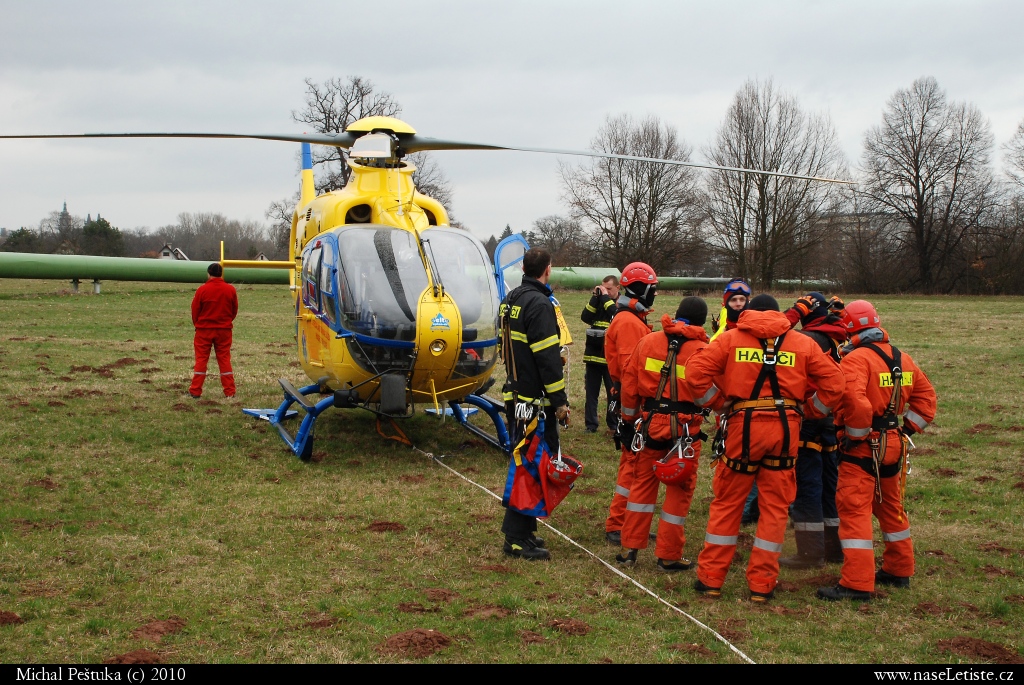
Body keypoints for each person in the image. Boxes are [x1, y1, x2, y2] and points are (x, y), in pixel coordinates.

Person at [686, 294, 845, 602]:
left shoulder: (730, 340)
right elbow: (835, 384)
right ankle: (762, 585)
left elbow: (695, 375)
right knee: (774, 509)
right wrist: (811, 410)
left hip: (743, 429)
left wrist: (718, 403)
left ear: (749, 313)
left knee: (728, 503)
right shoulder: (803, 343)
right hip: (786, 432)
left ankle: (710, 580)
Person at [817, 300, 936, 601]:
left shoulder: (856, 360)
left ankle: (856, 583)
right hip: (893, 443)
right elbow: (927, 401)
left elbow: (857, 403)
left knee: (854, 509)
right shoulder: (902, 358)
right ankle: (899, 569)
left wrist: (854, 437)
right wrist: (906, 429)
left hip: (865, 446)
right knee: (890, 507)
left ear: (852, 328)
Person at [616, 297, 710, 571]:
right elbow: (711, 393)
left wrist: (628, 419)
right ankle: (668, 555)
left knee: (642, 485)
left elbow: (629, 384)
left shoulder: (648, 341)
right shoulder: (704, 350)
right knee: (679, 490)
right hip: (685, 431)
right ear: (702, 322)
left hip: (650, 426)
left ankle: (628, 550)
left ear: (678, 314)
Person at [498, 247, 570, 561]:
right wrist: (560, 402)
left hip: (515, 396)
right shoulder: (540, 304)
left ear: (525, 267)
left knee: (529, 464)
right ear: (548, 270)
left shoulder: (510, 299)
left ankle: (525, 533)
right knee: (528, 467)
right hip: (533, 401)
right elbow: (547, 359)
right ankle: (515, 539)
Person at [778, 293, 849, 568]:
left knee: (808, 482)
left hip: (810, 417)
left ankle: (810, 552)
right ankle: (834, 548)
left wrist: (795, 311)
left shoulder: (809, 340)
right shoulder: (833, 335)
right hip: (829, 417)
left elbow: (773, 329)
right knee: (829, 484)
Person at [602, 262, 658, 545]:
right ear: (643, 289)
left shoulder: (632, 320)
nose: (655, 295)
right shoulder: (628, 322)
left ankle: (630, 523)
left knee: (638, 465)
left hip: (633, 404)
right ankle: (618, 523)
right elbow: (628, 373)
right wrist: (629, 417)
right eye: (653, 290)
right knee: (632, 464)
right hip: (632, 404)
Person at [189, 263, 238, 399]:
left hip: (204, 330)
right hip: (224, 330)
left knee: (201, 360)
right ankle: (229, 392)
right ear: (221, 274)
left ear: (209, 274)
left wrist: (198, 324)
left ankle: (195, 391)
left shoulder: (202, 290)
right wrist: (226, 322)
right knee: (224, 359)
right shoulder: (230, 290)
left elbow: (195, 310)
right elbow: (234, 310)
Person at [580, 275, 620, 433]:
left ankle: (613, 424)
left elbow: (615, 315)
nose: (607, 292)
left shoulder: (620, 303)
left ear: (618, 288)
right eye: (604, 288)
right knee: (591, 393)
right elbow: (585, 317)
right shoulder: (598, 300)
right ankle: (591, 425)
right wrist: (595, 298)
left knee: (613, 393)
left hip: (610, 359)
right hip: (593, 355)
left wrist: (604, 298)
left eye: (609, 289)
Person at [709, 278, 751, 342]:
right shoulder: (724, 310)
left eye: (742, 299)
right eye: (733, 300)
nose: (738, 304)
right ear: (726, 303)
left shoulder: (755, 325)